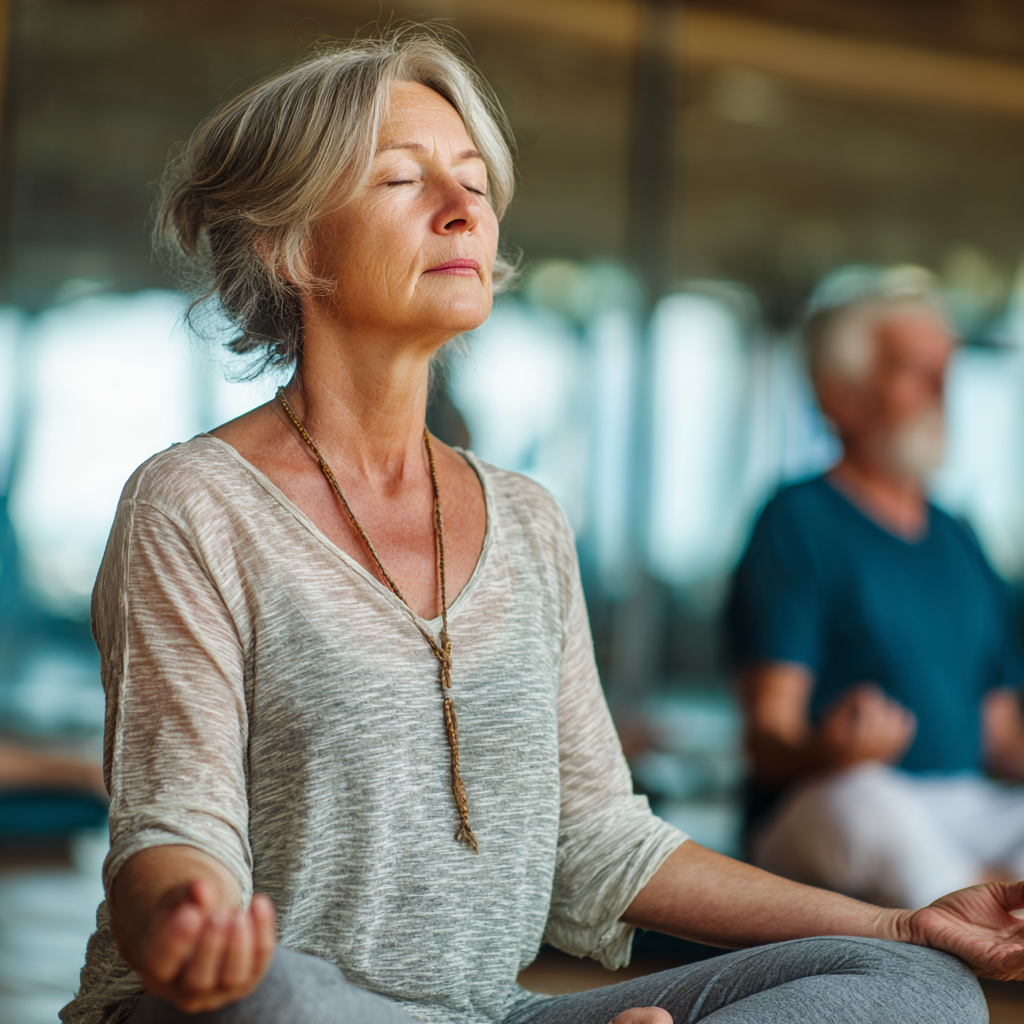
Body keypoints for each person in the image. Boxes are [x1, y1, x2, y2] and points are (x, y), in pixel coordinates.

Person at [62, 35, 1020, 1024]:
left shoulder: (525, 519)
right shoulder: (195, 502)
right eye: (403, 177)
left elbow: (601, 841)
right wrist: (192, 920)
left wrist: (904, 925)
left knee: (920, 987)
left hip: (488, 1010)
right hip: (252, 1003)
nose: (462, 207)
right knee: (277, 997)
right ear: (292, 246)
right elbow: (176, 830)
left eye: (474, 182)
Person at [730, 265, 1024, 912]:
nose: (942, 393)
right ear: (843, 396)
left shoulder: (960, 538)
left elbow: (1000, 737)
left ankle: (981, 911)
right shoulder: (797, 520)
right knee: (869, 805)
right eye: (918, 373)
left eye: (946, 373)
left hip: (960, 805)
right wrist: (828, 749)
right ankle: (979, 922)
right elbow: (766, 738)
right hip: (827, 799)